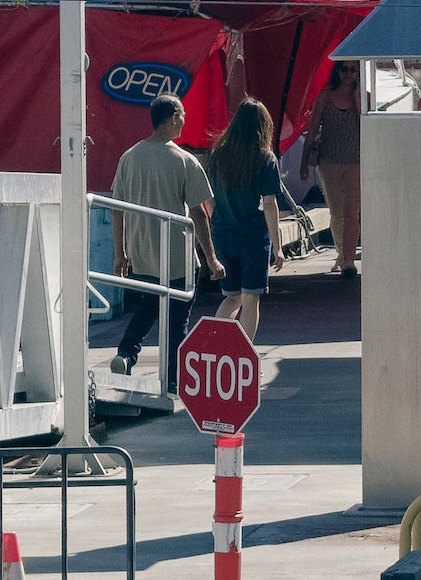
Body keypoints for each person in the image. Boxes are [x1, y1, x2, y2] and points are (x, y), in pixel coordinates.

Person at [110, 97, 215, 376]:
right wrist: (212, 258)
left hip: (141, 252)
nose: (185, 120)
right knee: (177, 318)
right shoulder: (184, 160)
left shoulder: (128, 157)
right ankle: (171, 379)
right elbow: (199, 212)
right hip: (177, 253)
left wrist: (120, 254)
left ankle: (126, 353)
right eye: (182, 115)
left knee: (149, 305)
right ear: (172, 118)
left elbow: (117, 210)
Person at [207, 99, 290, 343]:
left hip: (223, 232)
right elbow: (269, 203)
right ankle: (243, 355)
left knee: (232, 297)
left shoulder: (219, 155)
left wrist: (217, 223)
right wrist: (278, 246)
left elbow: (209, 199)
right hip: (253, 235)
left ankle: (214, 348)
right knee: (251, 298)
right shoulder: (265, 159)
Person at [312, 62, 364, 276]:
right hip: (329, 161)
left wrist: (358, 96)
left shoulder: (362, 96)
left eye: (353, 70)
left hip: (356, 160)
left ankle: (349, 259)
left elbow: (366, 123)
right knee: (337, 212)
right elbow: (314, 127)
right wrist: (305, 162)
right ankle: (342, 253)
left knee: (352, 212)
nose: (349, 74)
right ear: (337, 71)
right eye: (345, 69)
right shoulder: (325, 97)